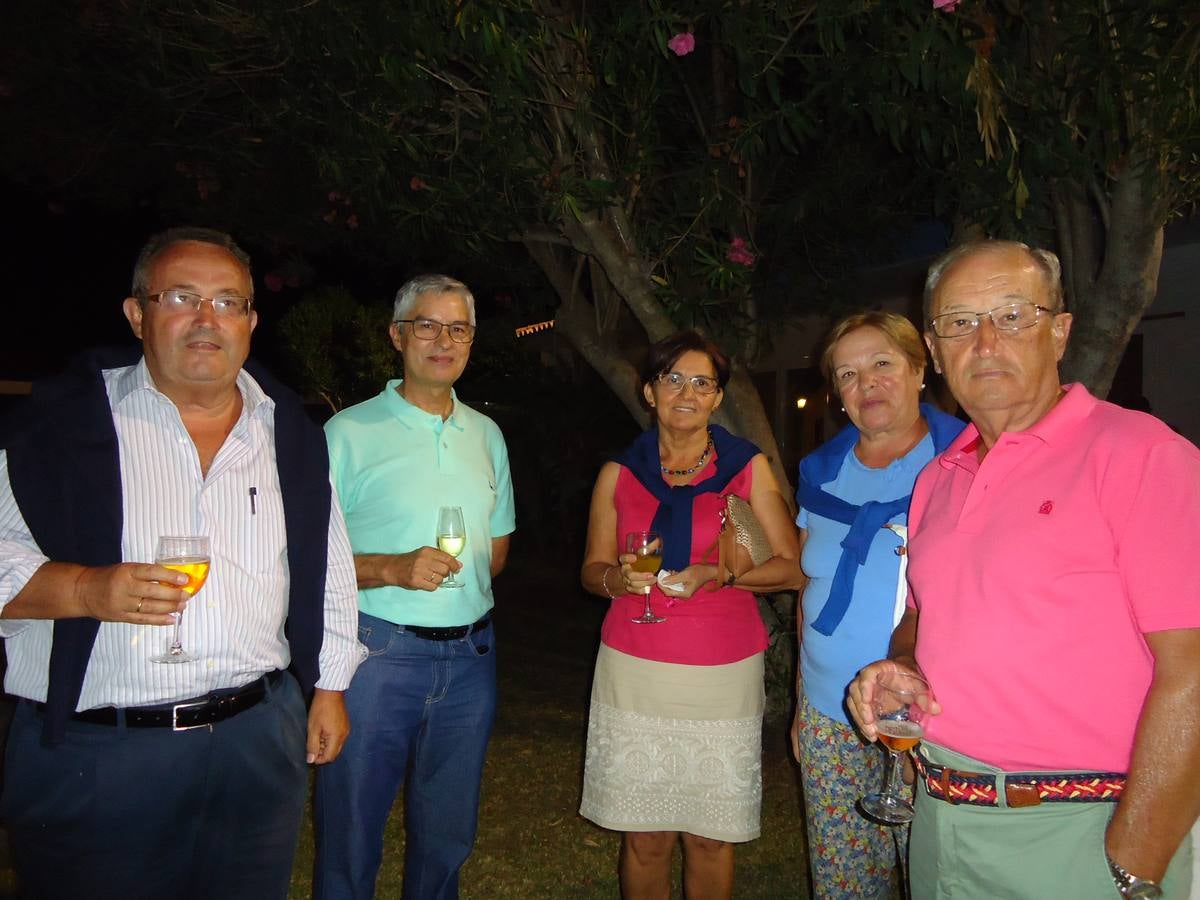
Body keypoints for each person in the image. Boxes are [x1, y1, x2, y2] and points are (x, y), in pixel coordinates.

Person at [0, 227, 364, 898]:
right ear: (138, 314)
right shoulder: (55, 426)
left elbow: (327, 568)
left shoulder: (288, 432)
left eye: (229, 301)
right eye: (182, 297)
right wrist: (83, 589)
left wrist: (332, 685)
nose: (207, 319)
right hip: (99, 753)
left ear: (251, 321)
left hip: (256, 741)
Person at [847, 240, 1200, 899]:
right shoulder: (936, 479)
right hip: (941, 820)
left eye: (1012, 315)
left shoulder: (1142, 456)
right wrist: (903, 667)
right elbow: (925, 615)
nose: (983, 342)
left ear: (1059, 331)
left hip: (1080, 834)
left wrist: (1134, 864)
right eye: (958, 322)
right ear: (935, 346)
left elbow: (1194, 672)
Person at [579, 330, 802, 900]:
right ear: (649, 392)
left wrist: (721, 573)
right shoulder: (619, 472)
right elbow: (592, 570)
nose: (687, 391)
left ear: (717, 397)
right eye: (672, 378)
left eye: (702, 382)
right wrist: (616, 581)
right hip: (634, 668)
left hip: (721, 673)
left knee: (710, 837)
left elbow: (792, 569)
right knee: (645, 836)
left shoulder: (744, 468)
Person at [313, 274, 516, 900]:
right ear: (398, 335)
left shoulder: (487, 434)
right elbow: (302, 561)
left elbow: (497, 550)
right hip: (376, 652)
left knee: (449, 831)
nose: (443, 340)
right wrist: (389, 569)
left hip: (471, 657)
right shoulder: (347, 433)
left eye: (458, 328)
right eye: (427, 325)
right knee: (350, 825)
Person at [790, 312, 963, 898]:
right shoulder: (820, 474)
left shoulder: (967, 462)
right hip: (827, 709)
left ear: (920, 370)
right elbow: (809, 591)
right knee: (842, 882)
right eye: (848, 373)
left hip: (931, 715)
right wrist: (799, 703)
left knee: (933, 879)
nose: (867, 384)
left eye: (883, 364)